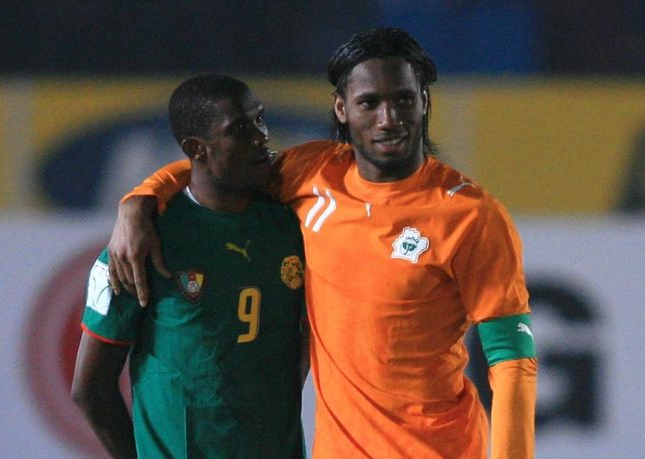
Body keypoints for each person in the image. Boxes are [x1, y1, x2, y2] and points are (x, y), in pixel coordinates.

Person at [107, 28, 538, 459]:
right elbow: (220, 167)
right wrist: (143, 196)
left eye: (404, 99)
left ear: (424, 102)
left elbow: (512, 358)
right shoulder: (310, 173)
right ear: (342, 108)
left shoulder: (471, 216)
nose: (389, 118)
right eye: (370, 102)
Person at [71, 74, 309, 459]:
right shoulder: (141, 244)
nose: (262, 136)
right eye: (241, 128)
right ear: (198, 148)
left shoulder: (294, 226)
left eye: (260, 119)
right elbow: (90, 389)